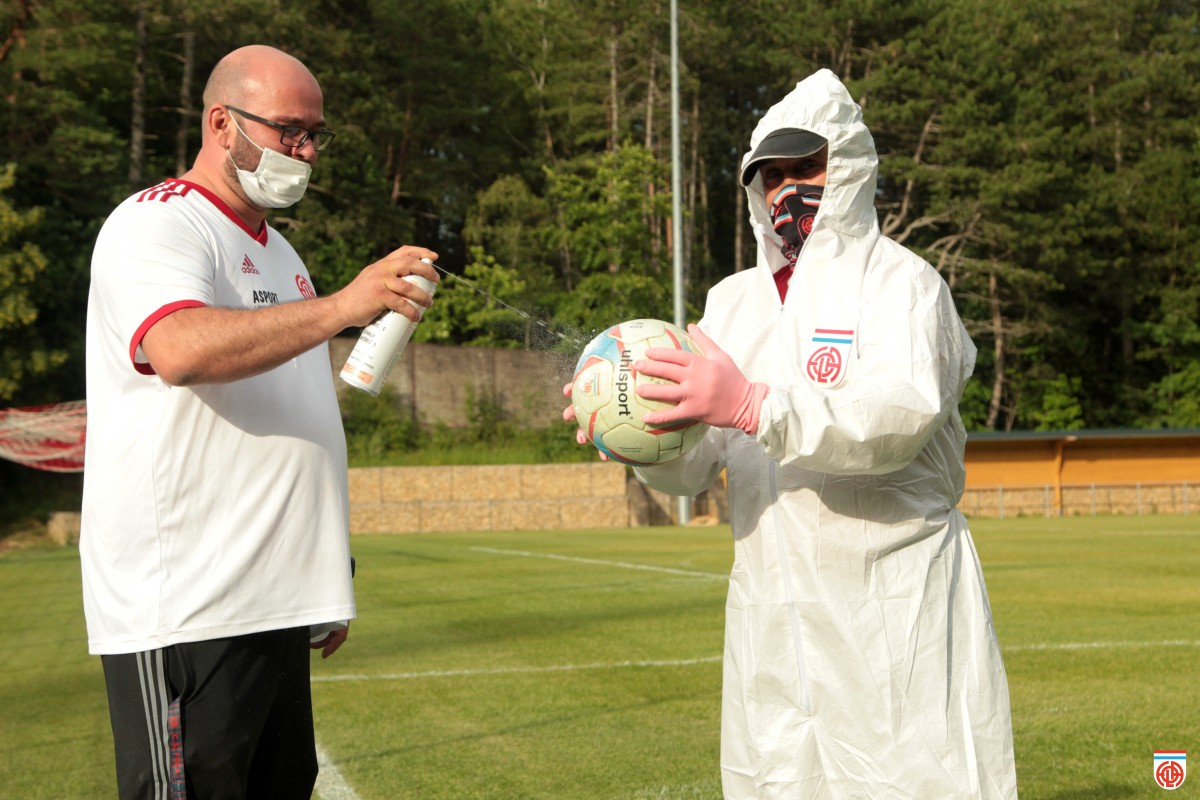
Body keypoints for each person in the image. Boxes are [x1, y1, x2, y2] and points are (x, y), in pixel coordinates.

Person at [567, 69, 1017, 798]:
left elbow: (895, 420)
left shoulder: (902, 286)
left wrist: (753, 404)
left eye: (807, 167)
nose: (788, 190)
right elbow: (694, 469)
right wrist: (635, 433)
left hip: (891, 622)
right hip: (772, 629)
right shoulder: (733, 303)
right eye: (771, 174)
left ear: (850, 166)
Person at [81, 44, 438, 800]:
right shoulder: (158, 225)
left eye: (315, 135)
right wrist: (346, 305)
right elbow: (176, 349)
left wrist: (322, 565)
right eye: (289, 131)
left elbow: (294, 411)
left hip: (275, 599)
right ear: (222, 123)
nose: (306, 153)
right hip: (186, 603)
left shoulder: (282, 254)